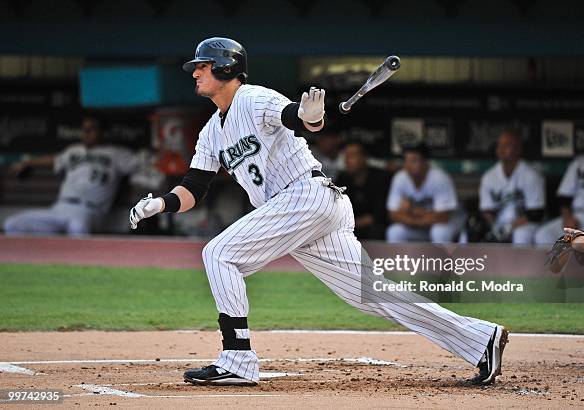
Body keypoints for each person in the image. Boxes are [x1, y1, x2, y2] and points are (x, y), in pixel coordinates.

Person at [129, 37, 507, 387]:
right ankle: (479, 339)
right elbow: (195, 187)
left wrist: (311, 116)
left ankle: (238, 358)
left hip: (305, 196)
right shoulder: (211, 131)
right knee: (370, 295)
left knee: (219, 253)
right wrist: (161, 202)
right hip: (304, 210)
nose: (195, 73)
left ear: (226, 68)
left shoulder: (254, 98)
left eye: (203, 66)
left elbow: (299, 119)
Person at [3, 116, 139, 236]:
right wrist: (28, 162)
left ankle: (80, 264)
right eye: (84, 129)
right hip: (60, 207)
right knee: (13, 224)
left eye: (91, 129)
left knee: (77, 227)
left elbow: (141, 165)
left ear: (102, 132)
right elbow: (55, 160)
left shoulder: (117, 154)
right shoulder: (74, 151)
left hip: (89, 210)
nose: (86, 133)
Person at [535, 126, 584, 244]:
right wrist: (568, 218)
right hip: (576, 216)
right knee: (543, 235)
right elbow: (564, 197)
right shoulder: (580, 161)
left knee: (583, 243)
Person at [386, 144, 463, 243]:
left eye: (414, 161)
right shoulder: (400, 178)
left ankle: (441, 259)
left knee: (439, 232)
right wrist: (419, 219)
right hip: (420, 224)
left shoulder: (439, 178)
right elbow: (393, 215)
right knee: (394, 232)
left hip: (449, 223)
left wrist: (410, 211)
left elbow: (443, 217)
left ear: (425, 162)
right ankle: (403, 259)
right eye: (406, 161)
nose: (408, 165)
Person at [478, 130, 545, 244]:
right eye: (499, 145)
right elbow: (486, 210)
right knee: (473, 232)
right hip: (499, 223)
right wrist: (493, 227)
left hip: (525, 224)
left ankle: (520, 262)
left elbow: (536, 214)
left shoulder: (531, 175)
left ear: (518, 149)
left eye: (506, 145)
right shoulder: (489, 176)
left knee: (521, 235)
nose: (501, 149)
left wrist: (510, 227)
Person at [335, 142, 390, 240]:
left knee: (376, 229)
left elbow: (379, 215)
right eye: (346, 156)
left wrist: (354, 223)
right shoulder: (342, 179)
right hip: (348, 227)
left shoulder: (380, 178)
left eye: (352, 156)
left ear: (364, 158)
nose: (347, 161)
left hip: (372, 229)